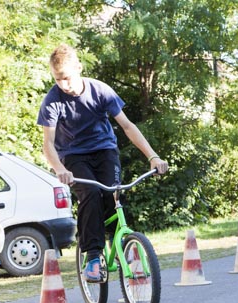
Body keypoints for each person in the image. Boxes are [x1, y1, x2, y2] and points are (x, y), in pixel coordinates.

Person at [37, 44, 169, 282]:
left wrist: (153, 156)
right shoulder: (52, 100)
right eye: (58, 79)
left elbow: (127, 126)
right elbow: (48, 143)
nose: (63, 85)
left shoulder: (100, 91)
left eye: (67, 78)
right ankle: (93, 256)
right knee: (90, 194)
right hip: (74, 156)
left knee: (113, 193)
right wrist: (60, 169)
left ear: (79, 68)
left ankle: (119, 244)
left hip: (105, 150)